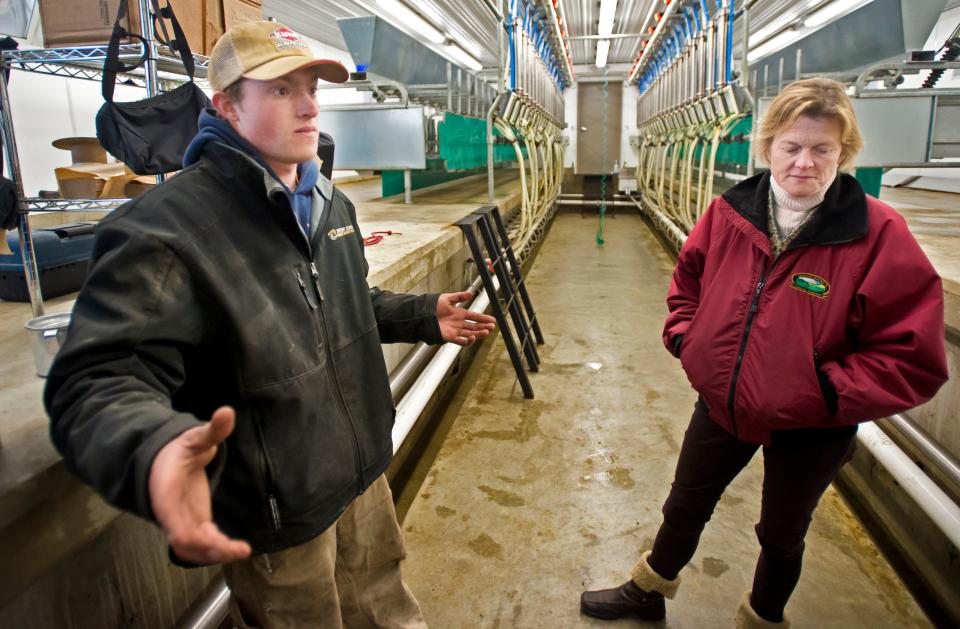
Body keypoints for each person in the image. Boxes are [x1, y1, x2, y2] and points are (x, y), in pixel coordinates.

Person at [45, 20, 495, 628]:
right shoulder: (167, 229)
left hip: (361, 476)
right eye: (281, 90)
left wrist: (419, 315)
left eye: (312, 86)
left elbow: (341, 303)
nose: (309, 105)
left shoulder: (330, 204)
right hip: (277, 512)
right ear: (226, 105)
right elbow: (98, 381)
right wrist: (151, 449)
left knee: (389, 614)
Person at [580, 78, 948, 627]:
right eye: (791, 147)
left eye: (821, 149)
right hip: (723, 402)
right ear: (768, 146)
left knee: (782, 533)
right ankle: (648, 589)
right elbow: (688, 283)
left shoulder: (877, 232)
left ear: (843, 153)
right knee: (684, 503)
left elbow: (910, 354)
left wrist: (823, 392)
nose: (804, 163)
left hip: (811, 424)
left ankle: (763, 617)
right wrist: (688, 340)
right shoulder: (731, 212)